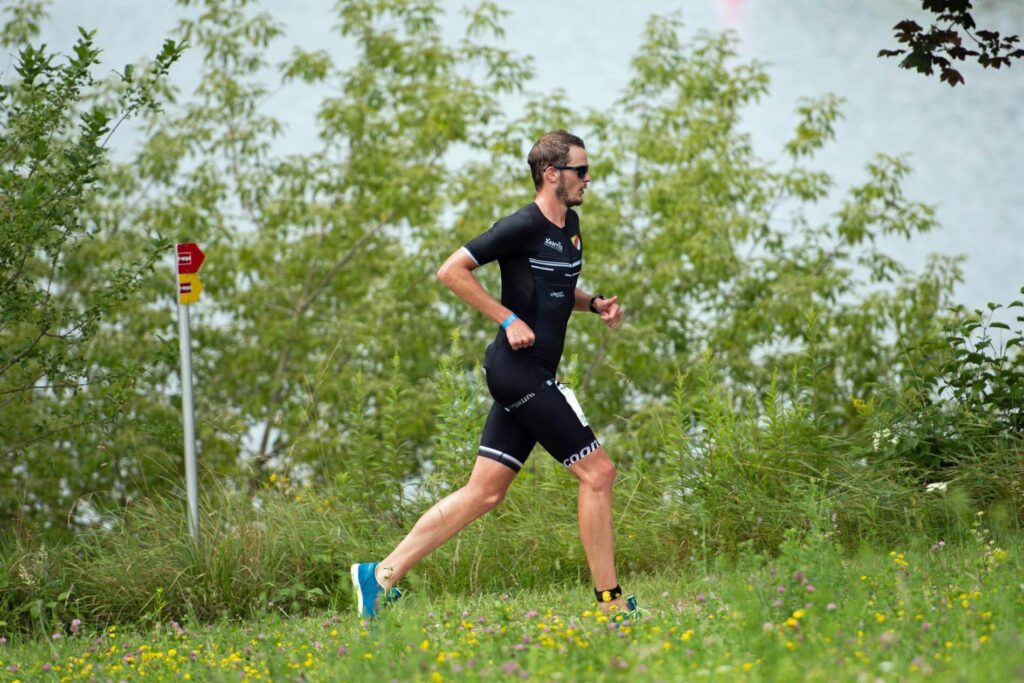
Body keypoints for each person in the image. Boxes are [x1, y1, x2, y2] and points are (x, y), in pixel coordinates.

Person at [351, 130, 634, 619]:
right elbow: (451, 270)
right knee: (598, 473)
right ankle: (611, 606)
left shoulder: (570, 225)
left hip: (529, 373)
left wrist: (593, 304)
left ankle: (378, 577)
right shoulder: (521, 225)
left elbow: (555, 287)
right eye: (581, 170)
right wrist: (507, 319)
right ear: (552, 174)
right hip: (518, 371)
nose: (589, 179)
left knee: (485, 491)